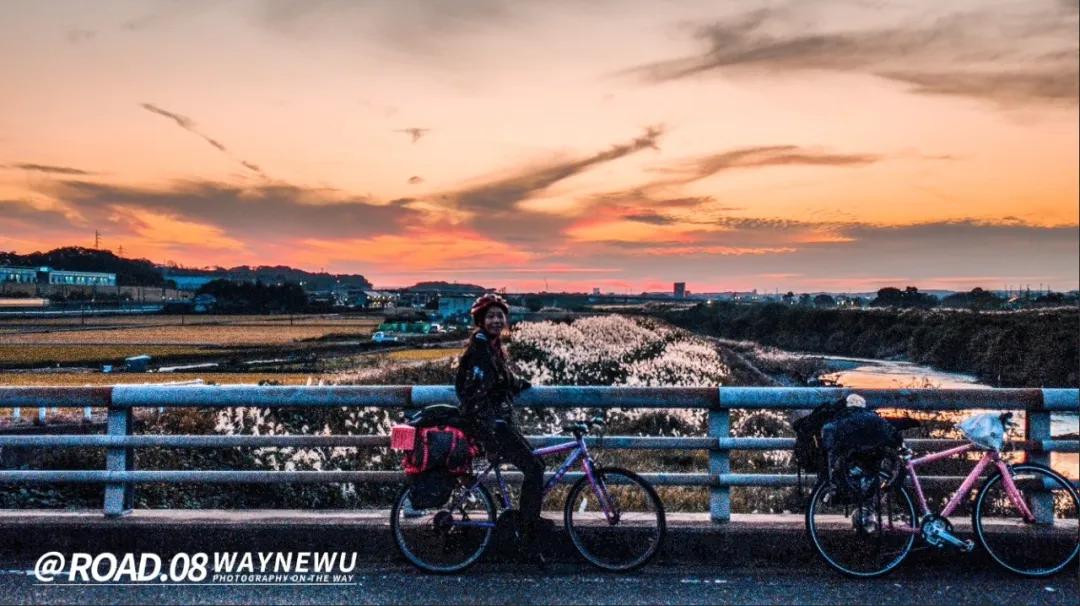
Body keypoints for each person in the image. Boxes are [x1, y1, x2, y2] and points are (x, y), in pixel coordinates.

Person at [454, 293, 546, 565]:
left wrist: (517, 382)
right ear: (481, 321)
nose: (496, 320)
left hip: (494, 423)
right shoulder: (481, 348)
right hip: (490, 425)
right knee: (535, 468)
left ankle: (522, 527)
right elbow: (488, 384)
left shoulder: (490, 346)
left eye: (499, 316)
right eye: (490, 316)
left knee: (534, 465)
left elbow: (499, 380)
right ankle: (527, 538)